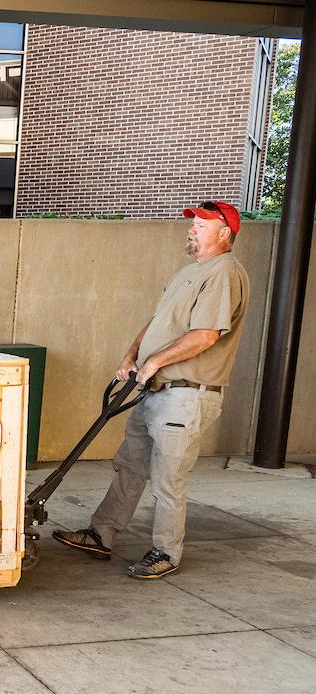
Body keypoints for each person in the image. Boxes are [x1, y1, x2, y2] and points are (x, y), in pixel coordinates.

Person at [53, 200, 250, 580]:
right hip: (154, 390)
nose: (192, 228)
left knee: (167, 477)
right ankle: (102, 534)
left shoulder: (225, 273)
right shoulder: (188, 273)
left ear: (224, 233)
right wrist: (131, 356)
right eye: (192, 222)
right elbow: (158, 322)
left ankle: (166, 552)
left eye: (202, 224)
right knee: (130, 465)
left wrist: (155, 362)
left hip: (186, 394)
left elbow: (206, 335)